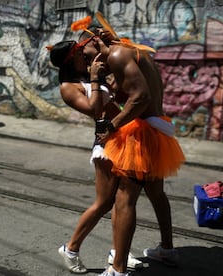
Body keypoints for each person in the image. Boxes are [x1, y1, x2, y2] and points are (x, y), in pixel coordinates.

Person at [81, 31, 185, 276]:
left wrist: (111, 126)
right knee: (157, 194)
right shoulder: (133, 52)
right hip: (156, 130)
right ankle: (167, 250)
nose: (86, 61)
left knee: (123, 200)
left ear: (95, 40)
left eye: (84, 52)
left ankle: (117, 270)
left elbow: (141, 97)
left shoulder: (117, 54)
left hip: (142, 135)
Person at [49, 40, 143, 274]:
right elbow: (94, 109)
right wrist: (94, 78)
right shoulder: (68, 88)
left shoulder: (87, 77)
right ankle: (71, 249)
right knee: (104, 202)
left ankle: (117, 253)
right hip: (106, 142)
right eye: (80, 53)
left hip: (123, 137)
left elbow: (115, 100)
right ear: (71, 60)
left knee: (119, 202)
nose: (85, 54)